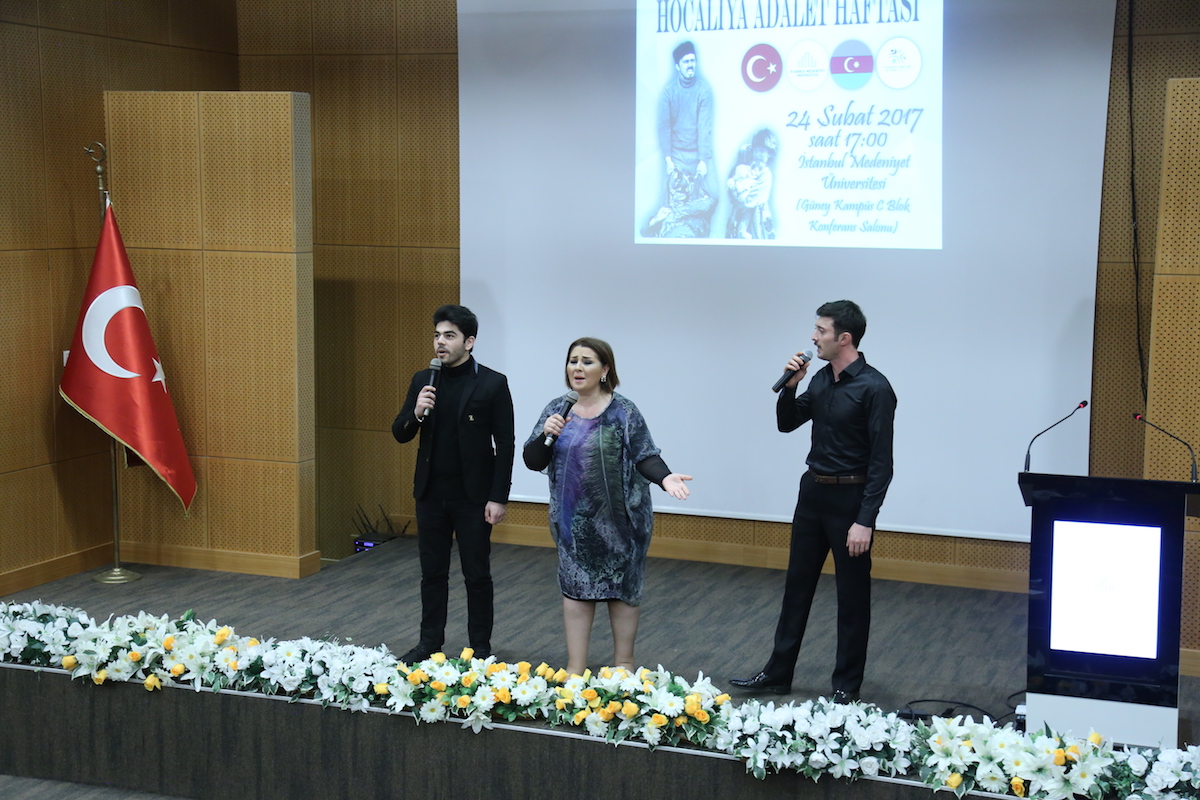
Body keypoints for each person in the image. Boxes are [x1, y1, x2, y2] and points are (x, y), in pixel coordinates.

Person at [730, 301, 896, 703]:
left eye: (821, 331)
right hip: (813, 494)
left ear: (845, 338)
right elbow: (787, 423)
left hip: (851, 499)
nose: (813, 337)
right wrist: (791, 387)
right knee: (797, 586)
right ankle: (778, 672)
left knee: (852, 596)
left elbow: (882, 463)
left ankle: (846, 685)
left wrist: (865, 520)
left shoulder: (875, 388)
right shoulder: (821, 379)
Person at [523, 338, 692, 675]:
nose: (577, 368)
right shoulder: (557, 408)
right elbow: (533, 459)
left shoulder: (623, 411)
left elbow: (645, 455)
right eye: (573, 360)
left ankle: (623, 666)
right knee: (576, 591)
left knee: (622, 591)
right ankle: (575, 668)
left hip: (620, 523)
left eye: (587, 361)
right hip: (573, 526)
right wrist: (546, 434)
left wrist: (665, 477)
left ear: (605, 369)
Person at [392, 305, 515, 664]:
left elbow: (505, 444)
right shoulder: (424, 380)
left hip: (473, 497)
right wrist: (416, 413)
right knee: (432, 574)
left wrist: (498, 497)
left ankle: (480, 647)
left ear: (469, 342)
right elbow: (400, 432)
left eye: (449, 335)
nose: (440, 342)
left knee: (477, 574)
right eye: (437, 335)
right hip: (431, 494)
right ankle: (429, 642)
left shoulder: (492, 383)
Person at [647, 41, 716, 238]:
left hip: (698, 154)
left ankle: (672, 216)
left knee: (713, 197)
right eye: (686, 62)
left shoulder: (704, 91)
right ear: (677, 66)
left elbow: (704, 127)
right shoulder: (669, 92)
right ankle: (663, 223)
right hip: (676, 155)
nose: (690, 65)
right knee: (670, 199)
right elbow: (664, 127)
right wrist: (668, 160)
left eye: (693, 60)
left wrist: (703, 161)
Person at [725, 128, 777, 240]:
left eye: (762, 151)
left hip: (757, 218)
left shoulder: (765, 174)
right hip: (739, 215)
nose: (758, 154)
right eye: (756, 150)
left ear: (769, 153)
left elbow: (750, 201)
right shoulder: (748, 168)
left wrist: (735, 192)